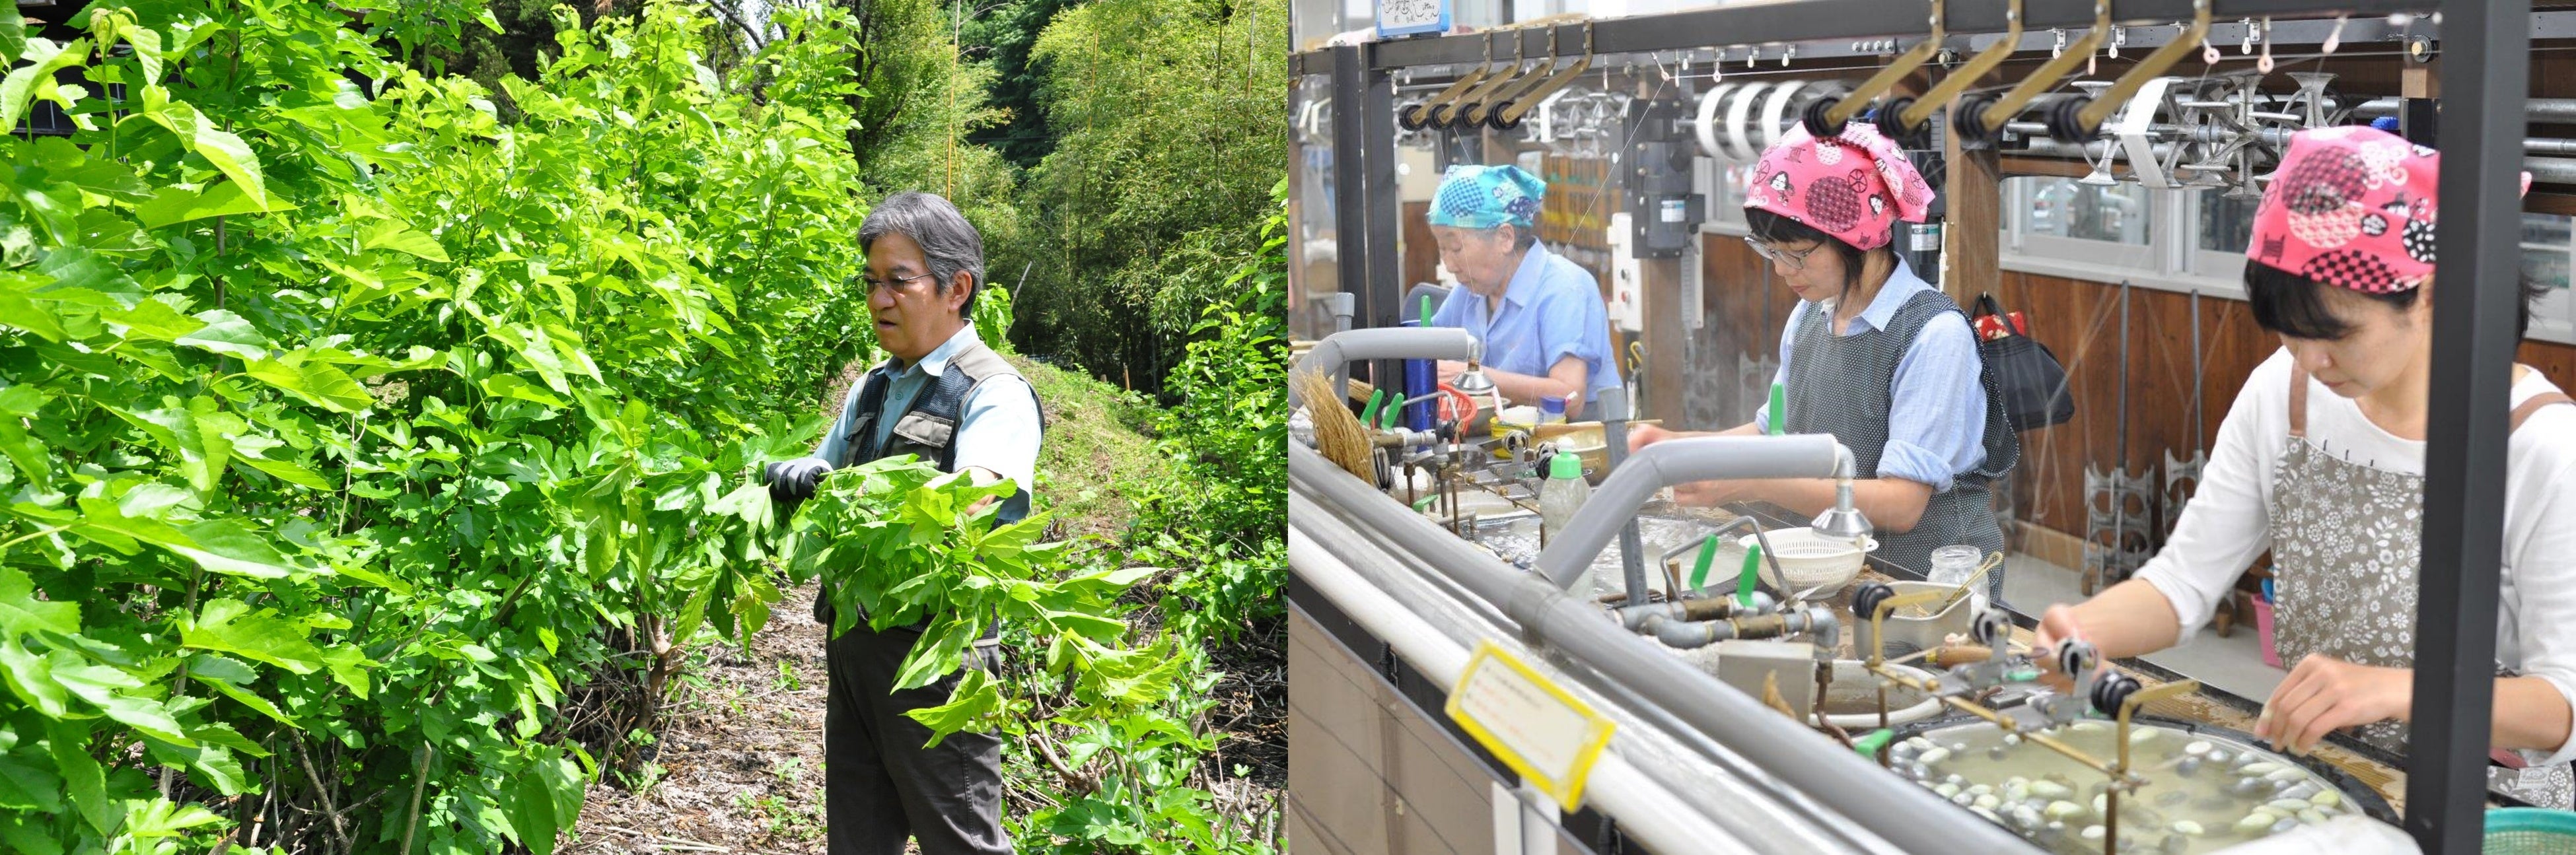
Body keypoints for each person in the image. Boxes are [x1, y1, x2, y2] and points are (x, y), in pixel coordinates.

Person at [2032, 126, 2576, 805]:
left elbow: (2560, 705)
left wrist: (2392, 688)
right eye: (2291, 333)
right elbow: (2182, 585)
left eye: (2336, 333)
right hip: (2337, 776)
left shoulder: (2538, 443)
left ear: (2430, 292)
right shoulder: (2285, 391)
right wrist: (2080, 631)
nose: (2312, 361)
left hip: (2490, 802)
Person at [1628, 122, 2019, 597]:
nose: (1780, 270)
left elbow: (1901, 504)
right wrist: (1678, 449)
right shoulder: (1812, 315)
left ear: (1860, 238)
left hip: (1922, 588)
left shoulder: (1934, 335)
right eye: (1770, 250)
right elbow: (1774, 429)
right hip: (1829, 572)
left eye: (1797, 254)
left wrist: (1754, 482)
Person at [762, 192, 1040, 854]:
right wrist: (780, 473)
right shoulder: (875, 387)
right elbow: (825, 465)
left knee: (961, 841)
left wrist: (848, 491)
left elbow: (973, 495)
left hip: (937, 660)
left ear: (957, 288)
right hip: (854, 646)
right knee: (859, 839)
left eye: (898, 281)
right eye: (871, 282)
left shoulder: (992, 392)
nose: (879, 299)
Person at [1424, 164, 1622, 417]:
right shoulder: (1470, 292)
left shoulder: (1565, 288)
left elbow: (1570, 397)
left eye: (1456, 248)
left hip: (1576, 444)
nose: (1449, 265)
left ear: (1505, 237)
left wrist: (1473, 377)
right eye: (1442, 249)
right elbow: (1428, 352)